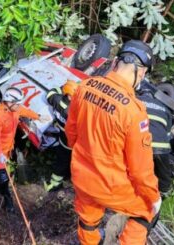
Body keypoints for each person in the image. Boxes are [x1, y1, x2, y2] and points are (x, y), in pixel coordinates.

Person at [65, 40, 161, 245]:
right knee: (145, 212)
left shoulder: (85, 86)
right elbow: (140, 171)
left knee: (88, 220)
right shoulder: (134, 111)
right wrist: (153, 197)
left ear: (116, 62)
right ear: (142, 72)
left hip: (82, 176)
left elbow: (71, 133)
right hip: (110, 185)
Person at [0, 86, 48, 213]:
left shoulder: (15, 109)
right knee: (3, 176)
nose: (19, 106)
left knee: (1, 172)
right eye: (17, 104)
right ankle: (8, 200)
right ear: (9, 102)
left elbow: (25, 111)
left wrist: (38, 116)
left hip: (6, 147)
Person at [137, 80, 173, 193]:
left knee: (139, 173)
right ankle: (164, 194)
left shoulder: (136, 101)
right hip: (162, 148)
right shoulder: (164, 108)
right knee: (163, 175)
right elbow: (168, 133)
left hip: (143, 146)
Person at [44, 80, 79, 192]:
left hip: (62, 134)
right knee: (65, 160)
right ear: (69, 96)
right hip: (71, 140)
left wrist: (62, 87)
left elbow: (50, 93)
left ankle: (57, 181)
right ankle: (55, 183)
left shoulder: (56, 100)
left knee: (62, 158)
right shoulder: (72, 111)